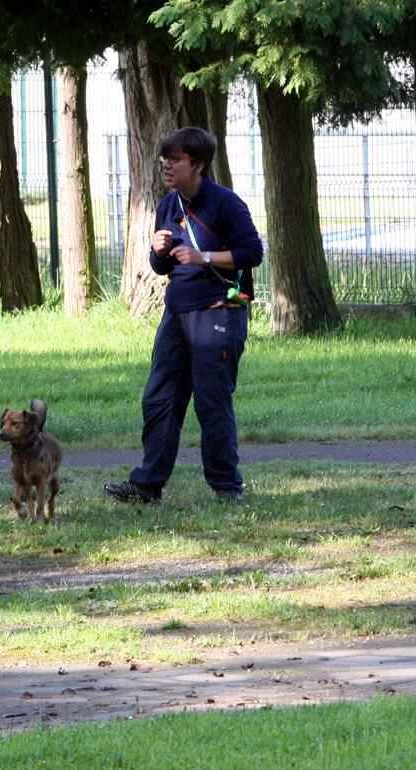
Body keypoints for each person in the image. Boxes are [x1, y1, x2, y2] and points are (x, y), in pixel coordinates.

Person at [104, 126, 264, 505]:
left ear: (199, 164)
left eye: (175, 159)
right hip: (176, 316)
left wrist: (203, 257)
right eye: (164, 159)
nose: (166, 165)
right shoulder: (168, 206)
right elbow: (161, 268)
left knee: (212, 401)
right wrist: (157, 251)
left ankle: (227, 488)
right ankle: (147, 485)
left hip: (217, 314)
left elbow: (252, 252)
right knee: (159, 398)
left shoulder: (226, 204)